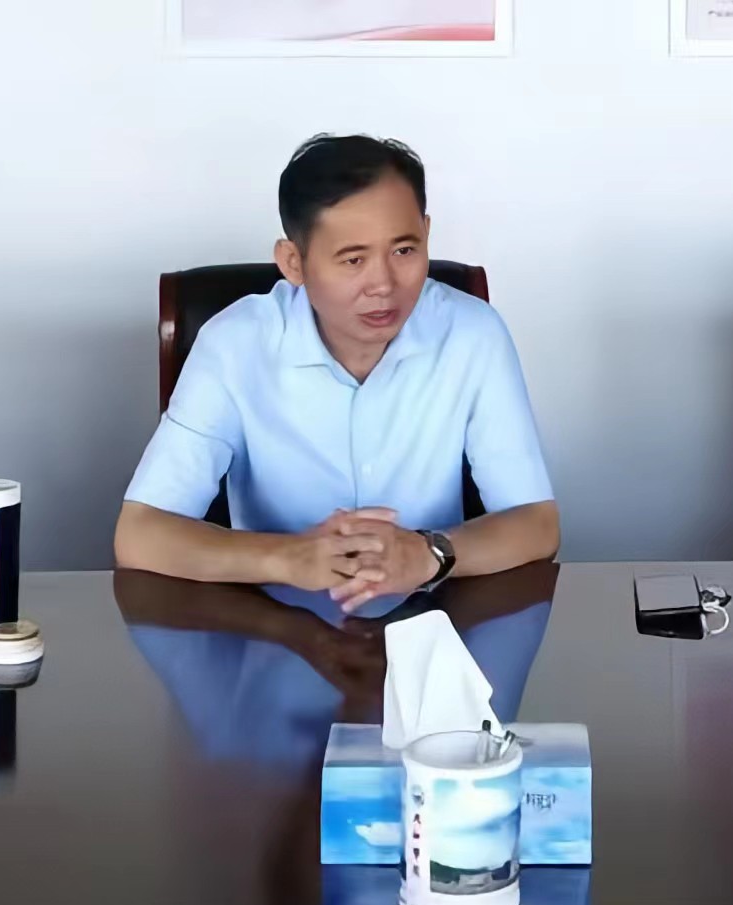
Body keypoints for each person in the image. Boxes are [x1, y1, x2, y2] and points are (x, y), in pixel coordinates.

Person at [115, 134, 558, 613]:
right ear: (293, 262)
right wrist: (288, 558)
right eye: (353, 260)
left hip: (432, 622)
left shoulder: (473, 333)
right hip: (273, 627)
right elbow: (140, 535)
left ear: (426, 234)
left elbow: (536, 523)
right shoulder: (234, 344)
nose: (383, 285)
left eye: (404, 251)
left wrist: (430, 553)